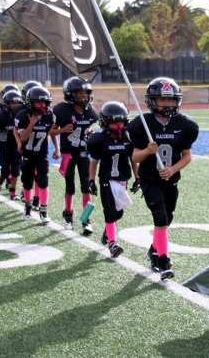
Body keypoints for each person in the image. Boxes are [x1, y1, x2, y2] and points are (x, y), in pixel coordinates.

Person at [127, 77, 199, 280]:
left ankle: (154, 249)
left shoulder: (185, 124)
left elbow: (187, 156)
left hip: (170, 179)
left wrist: (173, 169)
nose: (167, 103)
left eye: (170, 99)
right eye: (162, 99)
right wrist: (148, 151)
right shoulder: (142, 124)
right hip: (149, 178)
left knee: (168, 218)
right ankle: (163, 260)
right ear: (152, 101)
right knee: (160, 218)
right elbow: (135, 156)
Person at [86, 101, 140, 258]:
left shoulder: (129, 139)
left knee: (119, 212)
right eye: (114, 122)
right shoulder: (99, 140)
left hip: (122, 178)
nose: (118, 125)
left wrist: (137, 177)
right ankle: (113, 243)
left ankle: (107, 232)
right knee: (110, 211)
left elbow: (133, 159)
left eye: (121, 121)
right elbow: (94, 161)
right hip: (106, 179)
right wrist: (91, 180)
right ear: (105, 123)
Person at [50, 77, 98, 234]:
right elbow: (50, 131)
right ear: (70, 94)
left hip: (83, 152)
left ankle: (86, 219)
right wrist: (61, 131)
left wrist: (89, 133)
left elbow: (85, 129)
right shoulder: (62, 110)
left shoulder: (89, 111)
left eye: (85, 92)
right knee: (70, 186)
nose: (83, 96)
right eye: (79, 92)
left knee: (86, 187)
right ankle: (68, 213)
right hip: (68, 153)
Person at [15, 86, 59, 223]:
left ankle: (43, 210)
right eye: (38, 103)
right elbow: (23, 137)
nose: (42, 105)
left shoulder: (50, 115)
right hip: (28, 153)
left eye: (44, 102)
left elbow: (51, 133)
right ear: (30, 102)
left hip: (42, 154)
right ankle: (28, 206)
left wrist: (57, 148)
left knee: (43, 181)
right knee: (27, 183)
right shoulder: (23, 115)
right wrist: (32, 123)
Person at [0, 90, 23, 200]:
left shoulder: (21, 116)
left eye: (17, 103)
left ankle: (13, 192)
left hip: (16, 146)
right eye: (12, 103)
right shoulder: (0, 117)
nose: (15, 105)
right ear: (6, 103)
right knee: (5, 171)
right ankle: (2, 178)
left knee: (15, 171)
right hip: (4, 146)